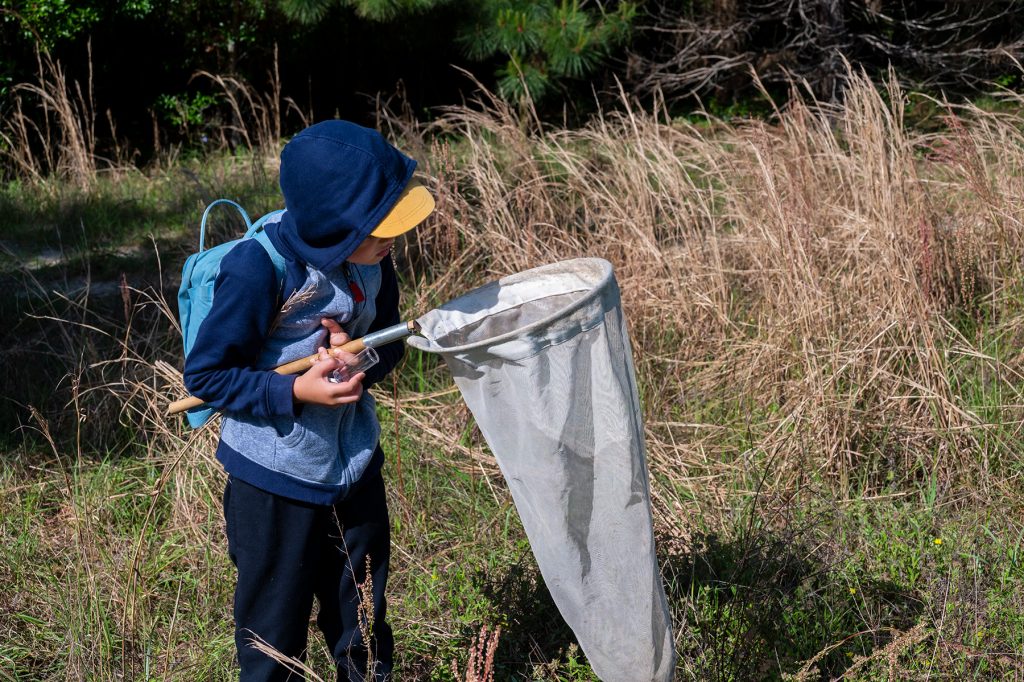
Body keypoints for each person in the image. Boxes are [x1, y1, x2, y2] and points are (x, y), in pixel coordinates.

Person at [184, 120, 435, 681]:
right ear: (334, 225)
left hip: (354, 468)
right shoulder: (258, 268)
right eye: (381, 229)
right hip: (273, 483)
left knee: (363, 624)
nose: (393, 240)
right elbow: (207, 377)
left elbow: (389, 340)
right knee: (273, 637)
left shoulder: (372, 257)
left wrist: (359, 360)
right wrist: (298, 388)